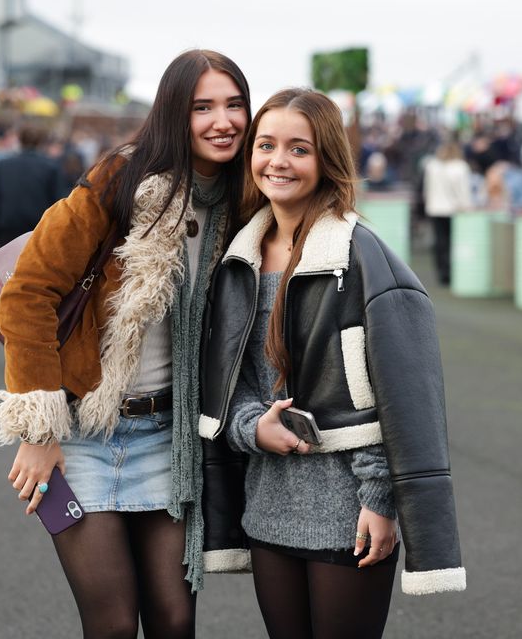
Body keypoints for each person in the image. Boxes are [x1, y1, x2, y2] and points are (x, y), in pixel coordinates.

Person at [0, 49, 251, 639]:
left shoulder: (243, 202)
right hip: (81, 435)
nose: (222, 120)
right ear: (172, 114)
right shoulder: (120, 180)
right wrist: (39, 430)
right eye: (201, 106)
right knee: (109, 625)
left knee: (175, 620)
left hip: (167, 439)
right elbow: (27, 293)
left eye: (234, 105)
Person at [198, 88, 465, 639]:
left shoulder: (358, 256)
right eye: (266, 144)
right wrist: (253, 429)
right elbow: (235, 380)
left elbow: (395, 390)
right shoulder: (238, 259)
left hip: (350, 509)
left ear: (326, 160)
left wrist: (379, 497)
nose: (278, 160)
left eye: (299, 148)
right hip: (269, 505)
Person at [0, 124, 63, 247]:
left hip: (8, 226)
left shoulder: (2, 166)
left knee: (7, 264)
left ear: (20, 140)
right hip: (38, 228)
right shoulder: (51, 168)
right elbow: (57, 203)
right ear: (40, 142)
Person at [424, 140, 472, 286]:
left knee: (440, 241)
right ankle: (451, 272)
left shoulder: (432, 166)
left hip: (435, 208)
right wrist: (466, 206)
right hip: (454, 210)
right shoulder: (461, 167)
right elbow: (464, 190)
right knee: (452, 242)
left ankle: (441, 272)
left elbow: (427, 188)